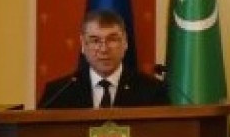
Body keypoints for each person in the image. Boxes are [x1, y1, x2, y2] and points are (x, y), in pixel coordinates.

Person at [38, 8, 170, 109]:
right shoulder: (57, 93)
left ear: (125, 43)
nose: (104, 49)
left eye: (112, 39)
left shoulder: (152, 91)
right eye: (95, 41)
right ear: (83, 45)